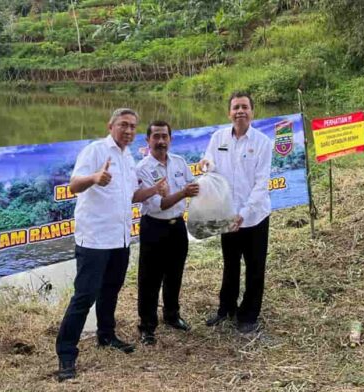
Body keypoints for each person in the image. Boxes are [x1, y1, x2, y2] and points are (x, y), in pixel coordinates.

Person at [55, 108, 167, 382]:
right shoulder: (95, 151)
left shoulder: (129, 158)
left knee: (111, 291)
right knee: (84, 296)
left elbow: (130, 196)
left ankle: (106, 335)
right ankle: (66, 355)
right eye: (123, 125)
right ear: (110, 126)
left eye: (132, 126)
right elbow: (73, 186)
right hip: (94, 239)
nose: (128, 131)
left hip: (120, 238)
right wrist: (94, 178)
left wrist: (153, 190)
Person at [200, 92, 273, 334]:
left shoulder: (262, 142)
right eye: (235, 108)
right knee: (230, 264)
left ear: (252, 112)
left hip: (255, 217)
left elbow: (262, 184)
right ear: (228, 113)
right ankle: (225, 309)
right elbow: (209, 160)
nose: (240, 111)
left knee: (254, 267)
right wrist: (206, 164)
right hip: (227, 214)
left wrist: (245, 212)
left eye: (244, 107)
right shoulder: (218, 137)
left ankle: (249, 314)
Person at [135, 120, 200, 345]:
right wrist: (183, 193)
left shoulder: (180, 162)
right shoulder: (143, 168)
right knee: (149, 279)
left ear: (170, 139)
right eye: (156, 137)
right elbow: (158, 204)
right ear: (148, 140)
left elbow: (194, 186)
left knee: (175, 274)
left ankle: (172, 315)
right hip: (154, 227)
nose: (161, 141)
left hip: (178, 227)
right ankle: (147, 326)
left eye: (165, 136)